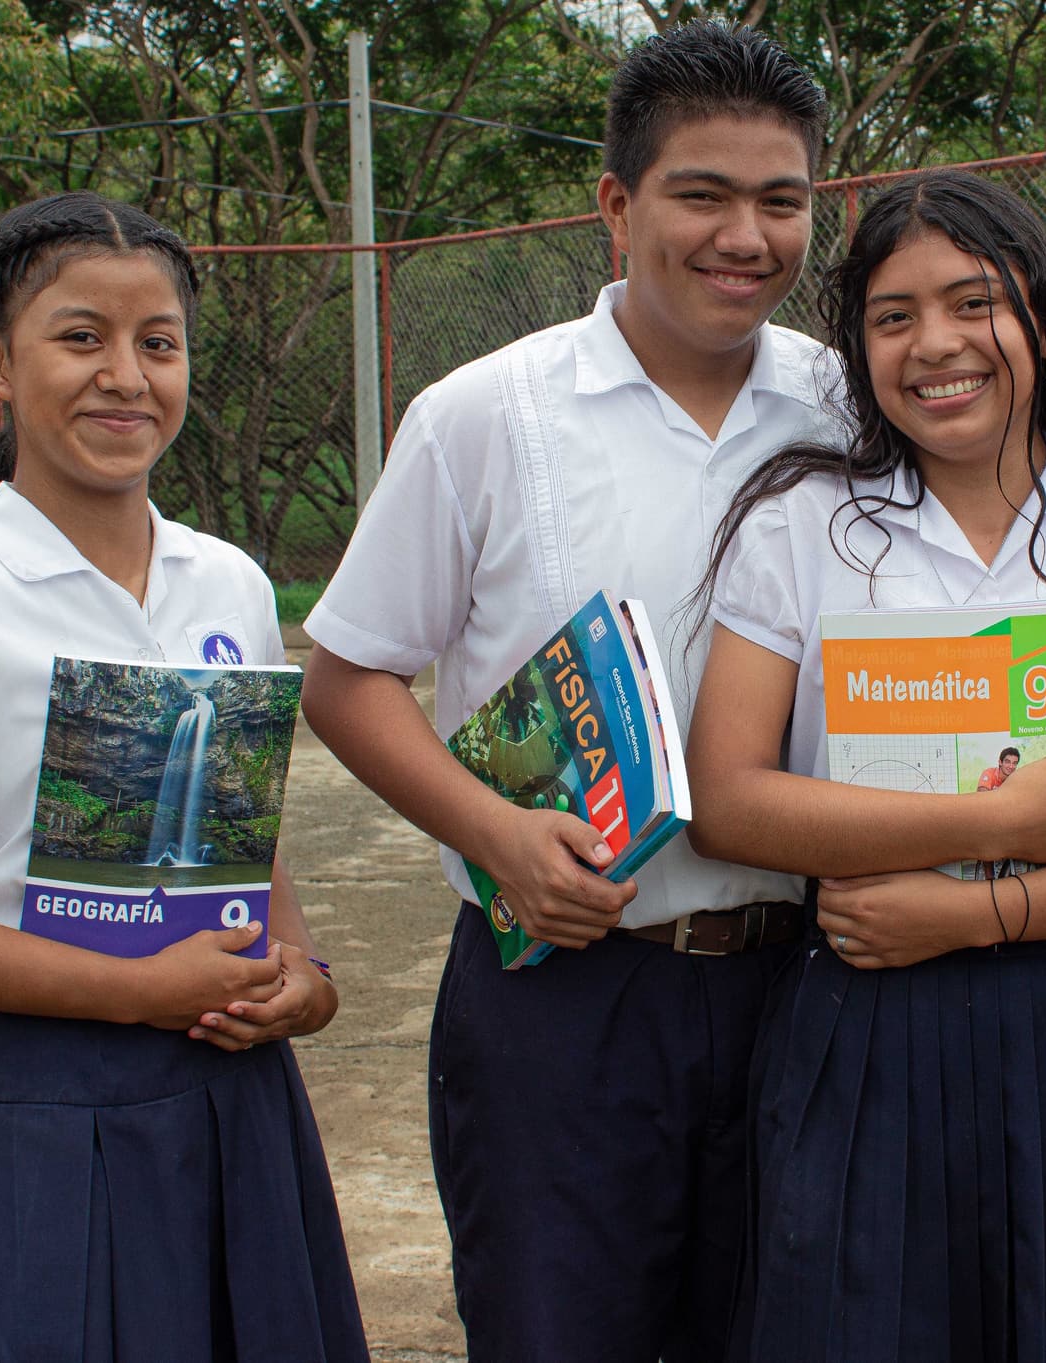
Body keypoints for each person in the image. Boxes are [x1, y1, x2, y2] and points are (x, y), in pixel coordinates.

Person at [297, 22, 844, 1362]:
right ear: (617, 204)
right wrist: (496, 834)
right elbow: (349, 675)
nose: (746, 235)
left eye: (782, 201)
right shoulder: (486, 415)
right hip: (561, 990)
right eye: (702, 194)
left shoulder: (849, 409)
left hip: (805, 985)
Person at [689, 168, 1046, 1363]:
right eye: (891, 317)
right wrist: (989, 818)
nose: (933, 343)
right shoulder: (799, 529)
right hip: (858, 1016)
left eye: (971, 302)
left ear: (1040, 322)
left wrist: (981, 913)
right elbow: (727, 801)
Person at [0, 192, 365, 1362]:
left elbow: (241, 829)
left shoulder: (230, 584)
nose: (125, 376)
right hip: (51, 1108)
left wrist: (301, 969)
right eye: (80, 338)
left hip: (234, 1086)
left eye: (157, 343)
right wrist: (131, 992)